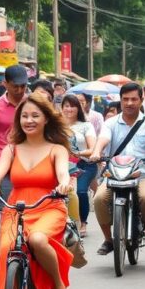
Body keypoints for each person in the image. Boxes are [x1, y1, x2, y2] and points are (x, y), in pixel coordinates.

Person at [0, 93, 75, 289]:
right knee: (4, 250)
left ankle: (59, 287)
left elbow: (63, 174)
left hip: (49, 206)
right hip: (15, 208)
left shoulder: (57, 149)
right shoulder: (11, 149)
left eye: (35, 116)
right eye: (25, 116)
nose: (29, 120)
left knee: (37, 239)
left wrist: (64, 185)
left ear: (46, 118)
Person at [89, 82, 145, 255]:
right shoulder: (111, 123)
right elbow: (103, 139)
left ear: (141, 100)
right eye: (125, 99)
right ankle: (108, 240)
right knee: (99, 199)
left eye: (134, 99)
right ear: (120, 101)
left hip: (141, 173)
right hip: (114, 174)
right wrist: (96, 151)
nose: (129, 103)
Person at [0, 65, 29, 198]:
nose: (20, 90)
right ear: (5, 84)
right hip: (4, 167)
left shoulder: (32, 104)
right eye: (15, 86)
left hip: (30, 164)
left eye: (23, 86)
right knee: (9, 209)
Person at [62, 93, 96, 237]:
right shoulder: (56, 125)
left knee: (80, 191)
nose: (69, 109)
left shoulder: (86, 126)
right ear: (62, 108)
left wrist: (77, 153)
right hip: (62, 165)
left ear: (79, 108)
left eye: (73, 106)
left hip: (84, 165)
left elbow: (92, 149)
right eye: (66, 106)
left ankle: (83, 222)